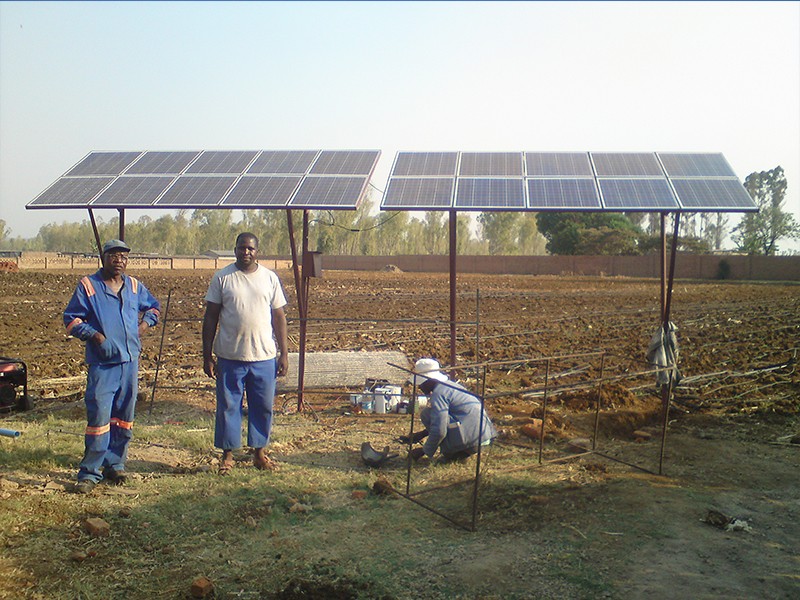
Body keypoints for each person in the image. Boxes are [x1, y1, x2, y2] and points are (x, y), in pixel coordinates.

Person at [63, 239, 161, 494]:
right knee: (99, 417)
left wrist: (143, 326)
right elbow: (71, 319)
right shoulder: (88, 286)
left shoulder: (134, 286)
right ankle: (90, 472)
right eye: (114, 256)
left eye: (123, 257)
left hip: (129, 362)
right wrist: (95, 336)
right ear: (104, 258)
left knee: (124, 417)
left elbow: (154, 307)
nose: (119, 261)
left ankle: (115, 464)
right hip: (103, 364)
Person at [202, 232, 289, 475]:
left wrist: (284, 353)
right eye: (242, 248)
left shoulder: (269, 278)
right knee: (228, 406)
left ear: (257, 251)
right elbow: (210, 317)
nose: (246, 252)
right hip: (230, 356)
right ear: (235, 250)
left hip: (263, 356)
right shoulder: (223, 277)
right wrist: (207, 355)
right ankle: (228, 455)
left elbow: (279, 317)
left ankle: (259, 453)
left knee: (262, 406)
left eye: (250, 248)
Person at [403, 358, 496, 463]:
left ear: (429, 381)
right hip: (484, 436)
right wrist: (422, 434)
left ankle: (455, 453)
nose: (420, 387)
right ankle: (462, 450)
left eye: (421, 383)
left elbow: (439, 431)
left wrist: (424, 451)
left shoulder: (439, 394)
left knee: (426, 414)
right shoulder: (451, 386)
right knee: (433, 415)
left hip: (471, 442)